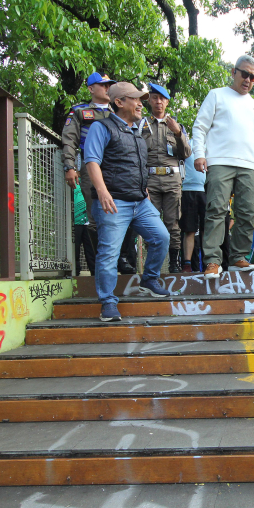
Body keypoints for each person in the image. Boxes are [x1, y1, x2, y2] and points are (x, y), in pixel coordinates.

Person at [84, 82, 171, 322]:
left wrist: (145, 191)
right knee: (109, 253)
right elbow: (92, 161)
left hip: (140, 201)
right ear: (119, 102)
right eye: (136, 99)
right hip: (114, 202)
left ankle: (149, 280)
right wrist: (102, 192)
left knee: (161, 237)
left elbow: (136, 166)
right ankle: (108, 303)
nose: (141, 104)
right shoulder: (101, 128)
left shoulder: (136, 132)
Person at [192, 55, 254, 280]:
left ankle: (238, 257)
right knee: (216, 210)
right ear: (234, 72)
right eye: (244, 74)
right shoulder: (216, 95)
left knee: (247, 212)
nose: (248, 80)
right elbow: (200, 127)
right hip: (219, 162)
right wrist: (199, 154)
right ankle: (213, 261)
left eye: (253, 77)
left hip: (249, 166)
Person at [61, 72, 138, 275]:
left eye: (110, 85)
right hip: (91, 168)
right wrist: (69, 166)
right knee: (93, 216)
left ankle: (123, 259)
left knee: (128, 212)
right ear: (90, 89)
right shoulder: (79, 111)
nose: (107, 88)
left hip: (121, 169)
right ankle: (99, 267)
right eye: (102, 85)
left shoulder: (121, 109)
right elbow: (69, 140)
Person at [142, 83, 192, 273]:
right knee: (150, 223)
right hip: (150, 180)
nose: (158, 102)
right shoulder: (142, 125)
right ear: (150, 101)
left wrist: (178, 132)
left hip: (172, 180)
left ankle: (173, 264)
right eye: (154, 98)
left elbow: (186, 153)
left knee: (173, 223)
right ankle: (152, 265)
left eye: (162, 99)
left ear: (167, 102)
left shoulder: (177, 125)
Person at [180, 153, 206, 272]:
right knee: (189, 229)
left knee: (206, 229)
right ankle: (187, 264)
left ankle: (208, 262)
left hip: (206, 190)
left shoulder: (210, 144)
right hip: (187, 190)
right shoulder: (186, 145)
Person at [73, 185, 95, 275]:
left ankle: (95, 273)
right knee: (74, 249)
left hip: (89, 221)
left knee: (91, 250)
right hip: (74, 221)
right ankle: (75, 272)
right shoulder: (70, 181)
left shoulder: (89, 181)